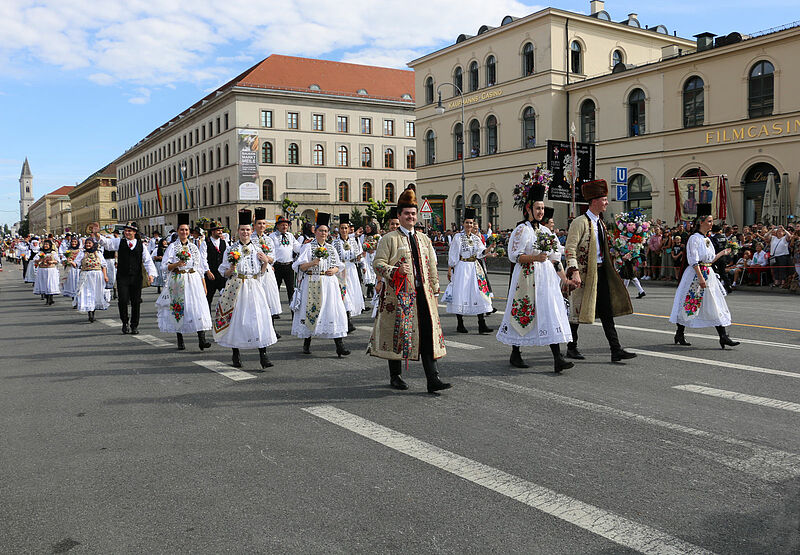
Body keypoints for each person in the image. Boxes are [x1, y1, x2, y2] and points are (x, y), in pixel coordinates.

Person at [369, 185, 451, 395]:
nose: (411, 217)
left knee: (427, 335)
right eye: (407, 214)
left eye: (414, 214)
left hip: (423, 296)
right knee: (397, 334)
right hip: (399, 297)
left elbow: (432, 264)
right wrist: (395, 270)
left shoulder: (424, 239)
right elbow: (377, 264)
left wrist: (435, 288)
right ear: (399, 215)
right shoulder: (389, 238)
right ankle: (395, 375)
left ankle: (433, 379)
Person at [496, 181, 573, 373]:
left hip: (546, 279)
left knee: (550, 313)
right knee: (524, 311)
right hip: (527, 276)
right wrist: (536, 257)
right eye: (537, 208)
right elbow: (516, 256)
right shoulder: (522, 230)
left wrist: (565, 279)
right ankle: (515, 352)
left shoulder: (546, 231)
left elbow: (555, 258)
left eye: (542, 208)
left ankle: (558, 358)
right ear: (528, 209)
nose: (540, 212)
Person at [564, 179, 636, 363]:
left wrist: (622, 254)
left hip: (602, 272)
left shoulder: (601, 224)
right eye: (604, 199)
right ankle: (571, 347)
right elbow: (570, 248)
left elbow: (603, 249)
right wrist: (574, 271)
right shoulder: (580, 222)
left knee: (606, 310)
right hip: (584, 274)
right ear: (594, 200)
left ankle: (615, 349)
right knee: (577, 310)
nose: (606, 203)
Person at [213, 210, 277, 370]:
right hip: (236, 287)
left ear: (251, 231)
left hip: (254, 286)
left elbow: (262, 273)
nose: (245, 232)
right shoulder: (231, 249)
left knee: (258, 319)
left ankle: (263, 355)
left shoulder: (257, 248)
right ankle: (236, 352)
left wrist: (264, 263)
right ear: (238, 231)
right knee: (236, 320)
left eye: (248, 229)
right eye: (242, 229)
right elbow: (224, 272)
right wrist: (232, 268)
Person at [669, 203, 739, 349]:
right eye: (709, 221)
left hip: (708, 273)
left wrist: (722, 253)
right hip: (696, 275)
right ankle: (680, 333)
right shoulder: (694, 238)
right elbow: (693, 260)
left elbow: (709, 259)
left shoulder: (707, 239)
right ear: (701, 222)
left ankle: (723, 336)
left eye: (712, 221)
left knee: (715, 302)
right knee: (689, 303)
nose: (712, 224)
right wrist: (700, 278)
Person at [291, 212, 351, 357]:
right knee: (311, 310)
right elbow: (298, 266)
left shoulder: (330, 248)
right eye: (320, 231)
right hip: (312, 282)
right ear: (315, 231)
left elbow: (339, 265)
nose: (323, 233)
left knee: (333, 311)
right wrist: (313, 263)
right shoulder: (308, 247)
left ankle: (339, 345)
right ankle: (307, 342)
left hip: (329, 283)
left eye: (325, 231)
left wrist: (334, 270)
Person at [156, 213, 214, 352]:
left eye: (186, 230)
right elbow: (165, 266)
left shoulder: (194, 247)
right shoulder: (172, 247)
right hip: (178, 279)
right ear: (177, 231)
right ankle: (180, 339)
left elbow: (199, 267)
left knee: (198, 308)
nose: (184, 232)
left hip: (193, 279)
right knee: (179, 308)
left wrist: (203, 284)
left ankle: (202, 339)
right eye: (182, 230)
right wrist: (177, 264)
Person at [100, 221, 157, 335]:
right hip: (123, 277)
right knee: (123, 300)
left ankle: (134, 325)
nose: (127, 232)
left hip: (136, 277)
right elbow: (106, 243)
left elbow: (147, 260)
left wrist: (151, 274)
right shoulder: (119, 242)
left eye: (129, 231)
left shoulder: (141, 245)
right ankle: (125, 322)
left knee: (136, 302)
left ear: (135, 232)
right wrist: (97, 234)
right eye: (125, 230)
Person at [446, 207, 493, 334]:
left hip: (474, 267)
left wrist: (490, 248)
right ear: (463, 224)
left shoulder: (476, 238)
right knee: (461, 294)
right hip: (462, 267)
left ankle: (481, 324)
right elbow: (453, 254)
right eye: (467, 222)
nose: (469, 225)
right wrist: (451, 269)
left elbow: (481, 252)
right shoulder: (458, 237)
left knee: (479, 293)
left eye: (471, 223)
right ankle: (460, 324)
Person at [251, 208, 282, 334]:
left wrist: (266, 258)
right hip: (255, 272)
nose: (262, 226)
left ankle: (271, 329)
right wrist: (264, 258)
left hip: (268, 272)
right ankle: (256, 328)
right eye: (259, 223)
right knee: (256, 300)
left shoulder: (269, 239)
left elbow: (272, 257)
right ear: (254, 225)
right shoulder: (251, 239)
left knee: (269, 299)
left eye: (264, 223)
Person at [333, 213, 365, 331]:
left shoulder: (353, 241)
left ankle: (349, 317)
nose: (344, 230)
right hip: (341, 269)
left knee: (351, 292)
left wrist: (360, 257)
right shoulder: (335, 242)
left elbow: (358, 255)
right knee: (343, 293)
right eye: (342, 228)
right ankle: (346, 319)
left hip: (351, 268)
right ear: (339, 229)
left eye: (346, 228)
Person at [72, 237, 109, 322]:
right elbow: (76, 263)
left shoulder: (98, 253)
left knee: (96, 293)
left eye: (90, 243)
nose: (88, 245)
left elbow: (103, 265)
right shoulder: (82, 253)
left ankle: (93, 310)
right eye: (87, 243)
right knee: (87, 292)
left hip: (97, 275)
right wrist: (71, 262)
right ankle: (90, 312)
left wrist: (105, 276)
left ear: (93, 244)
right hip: (86, 275)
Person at [270, 216, 301, 306]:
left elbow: (297, 248)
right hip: (277, 266)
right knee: (275, 289)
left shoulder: (290, 236)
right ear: (278, 226)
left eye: (286, 225)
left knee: (291, 290)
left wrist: (306, 246)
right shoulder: (272, 237)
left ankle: (293, 312)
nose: (285, 227)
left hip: (289, 266)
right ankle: (274, 312)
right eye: (282, 225)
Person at [199, 221, 227, 307]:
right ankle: (208, 319)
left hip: (221, 275)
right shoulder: (205, 243)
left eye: (221, 230)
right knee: (208, 298)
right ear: (212, 231)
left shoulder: (224, 242)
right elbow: (203, 258)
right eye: (218, 230)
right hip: (210, 275)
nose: (220, 232)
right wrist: (207, 271)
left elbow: (226, 257)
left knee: (226, 297)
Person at [33, 238, 61, 305]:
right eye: (45, 244)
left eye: (47, 244)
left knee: (50, 284)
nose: (46, 246)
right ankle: (46, 297)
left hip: (51, 270)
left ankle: (50, 298)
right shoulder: (40, 252)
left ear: (50, 245)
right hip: (42, 270)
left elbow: (58, 261)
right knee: (44, 284)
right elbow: (35, 260)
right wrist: (40, 260)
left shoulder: (53, 253)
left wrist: (52, 261)